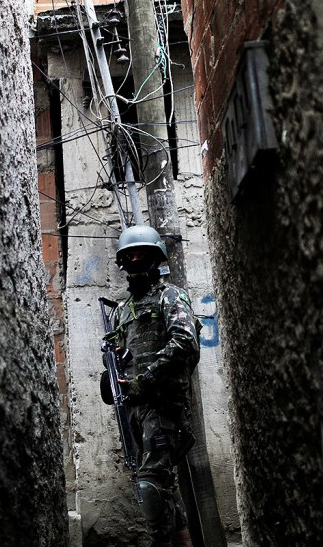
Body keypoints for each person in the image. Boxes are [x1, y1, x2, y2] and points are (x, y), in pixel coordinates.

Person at [105, 225, 199, 547]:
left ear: (154, 257)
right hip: (134, 409)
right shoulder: (121, 311)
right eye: (129, 254)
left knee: (150, 487)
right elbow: (120, 359)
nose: (134, 258)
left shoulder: (169, 296)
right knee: (163, 486)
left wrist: (144, 380)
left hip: (163, 407)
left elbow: (185, 340)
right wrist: (114, 374)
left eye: (141, 253)